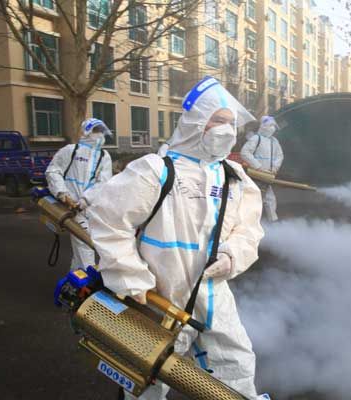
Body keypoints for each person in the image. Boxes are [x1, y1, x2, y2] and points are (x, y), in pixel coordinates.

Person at [85, 76, 268, 400]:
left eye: (231, 123)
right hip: (158, 297)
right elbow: (109, 220)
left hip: (213, 296)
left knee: (236, 370)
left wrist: (232, 256)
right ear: (197, 121)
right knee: (148, 379)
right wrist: (131, 278)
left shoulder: (234, 177)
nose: (227, 130)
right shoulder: (156, 170)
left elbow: (249, 230)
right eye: (218, 120)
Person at [45, 118, 113, 271]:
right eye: (96, 130)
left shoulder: (104, 156)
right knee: (85, 245)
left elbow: (103, 183)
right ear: (87, 131)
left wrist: (84, 200)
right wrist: (63, 195)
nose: (99, 134)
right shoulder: (70, 150)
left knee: (82, 250)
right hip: (71, 210)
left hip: (91, 210)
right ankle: (89, 280)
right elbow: (53, 171)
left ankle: (74, 279)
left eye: (101, 131)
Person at [240, 115, 284, 222]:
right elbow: (245, 153)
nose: (272, 128)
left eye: (273, 126)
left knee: (269, 199)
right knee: (253, 196)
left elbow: (280, 155)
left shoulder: (274, 141)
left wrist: (275, 168)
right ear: (263, 126)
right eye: (270, 125)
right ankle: (248, 220)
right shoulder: (256, 139)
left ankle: (272, 221)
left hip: (268, 174)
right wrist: (258, 167)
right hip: (256, 174)